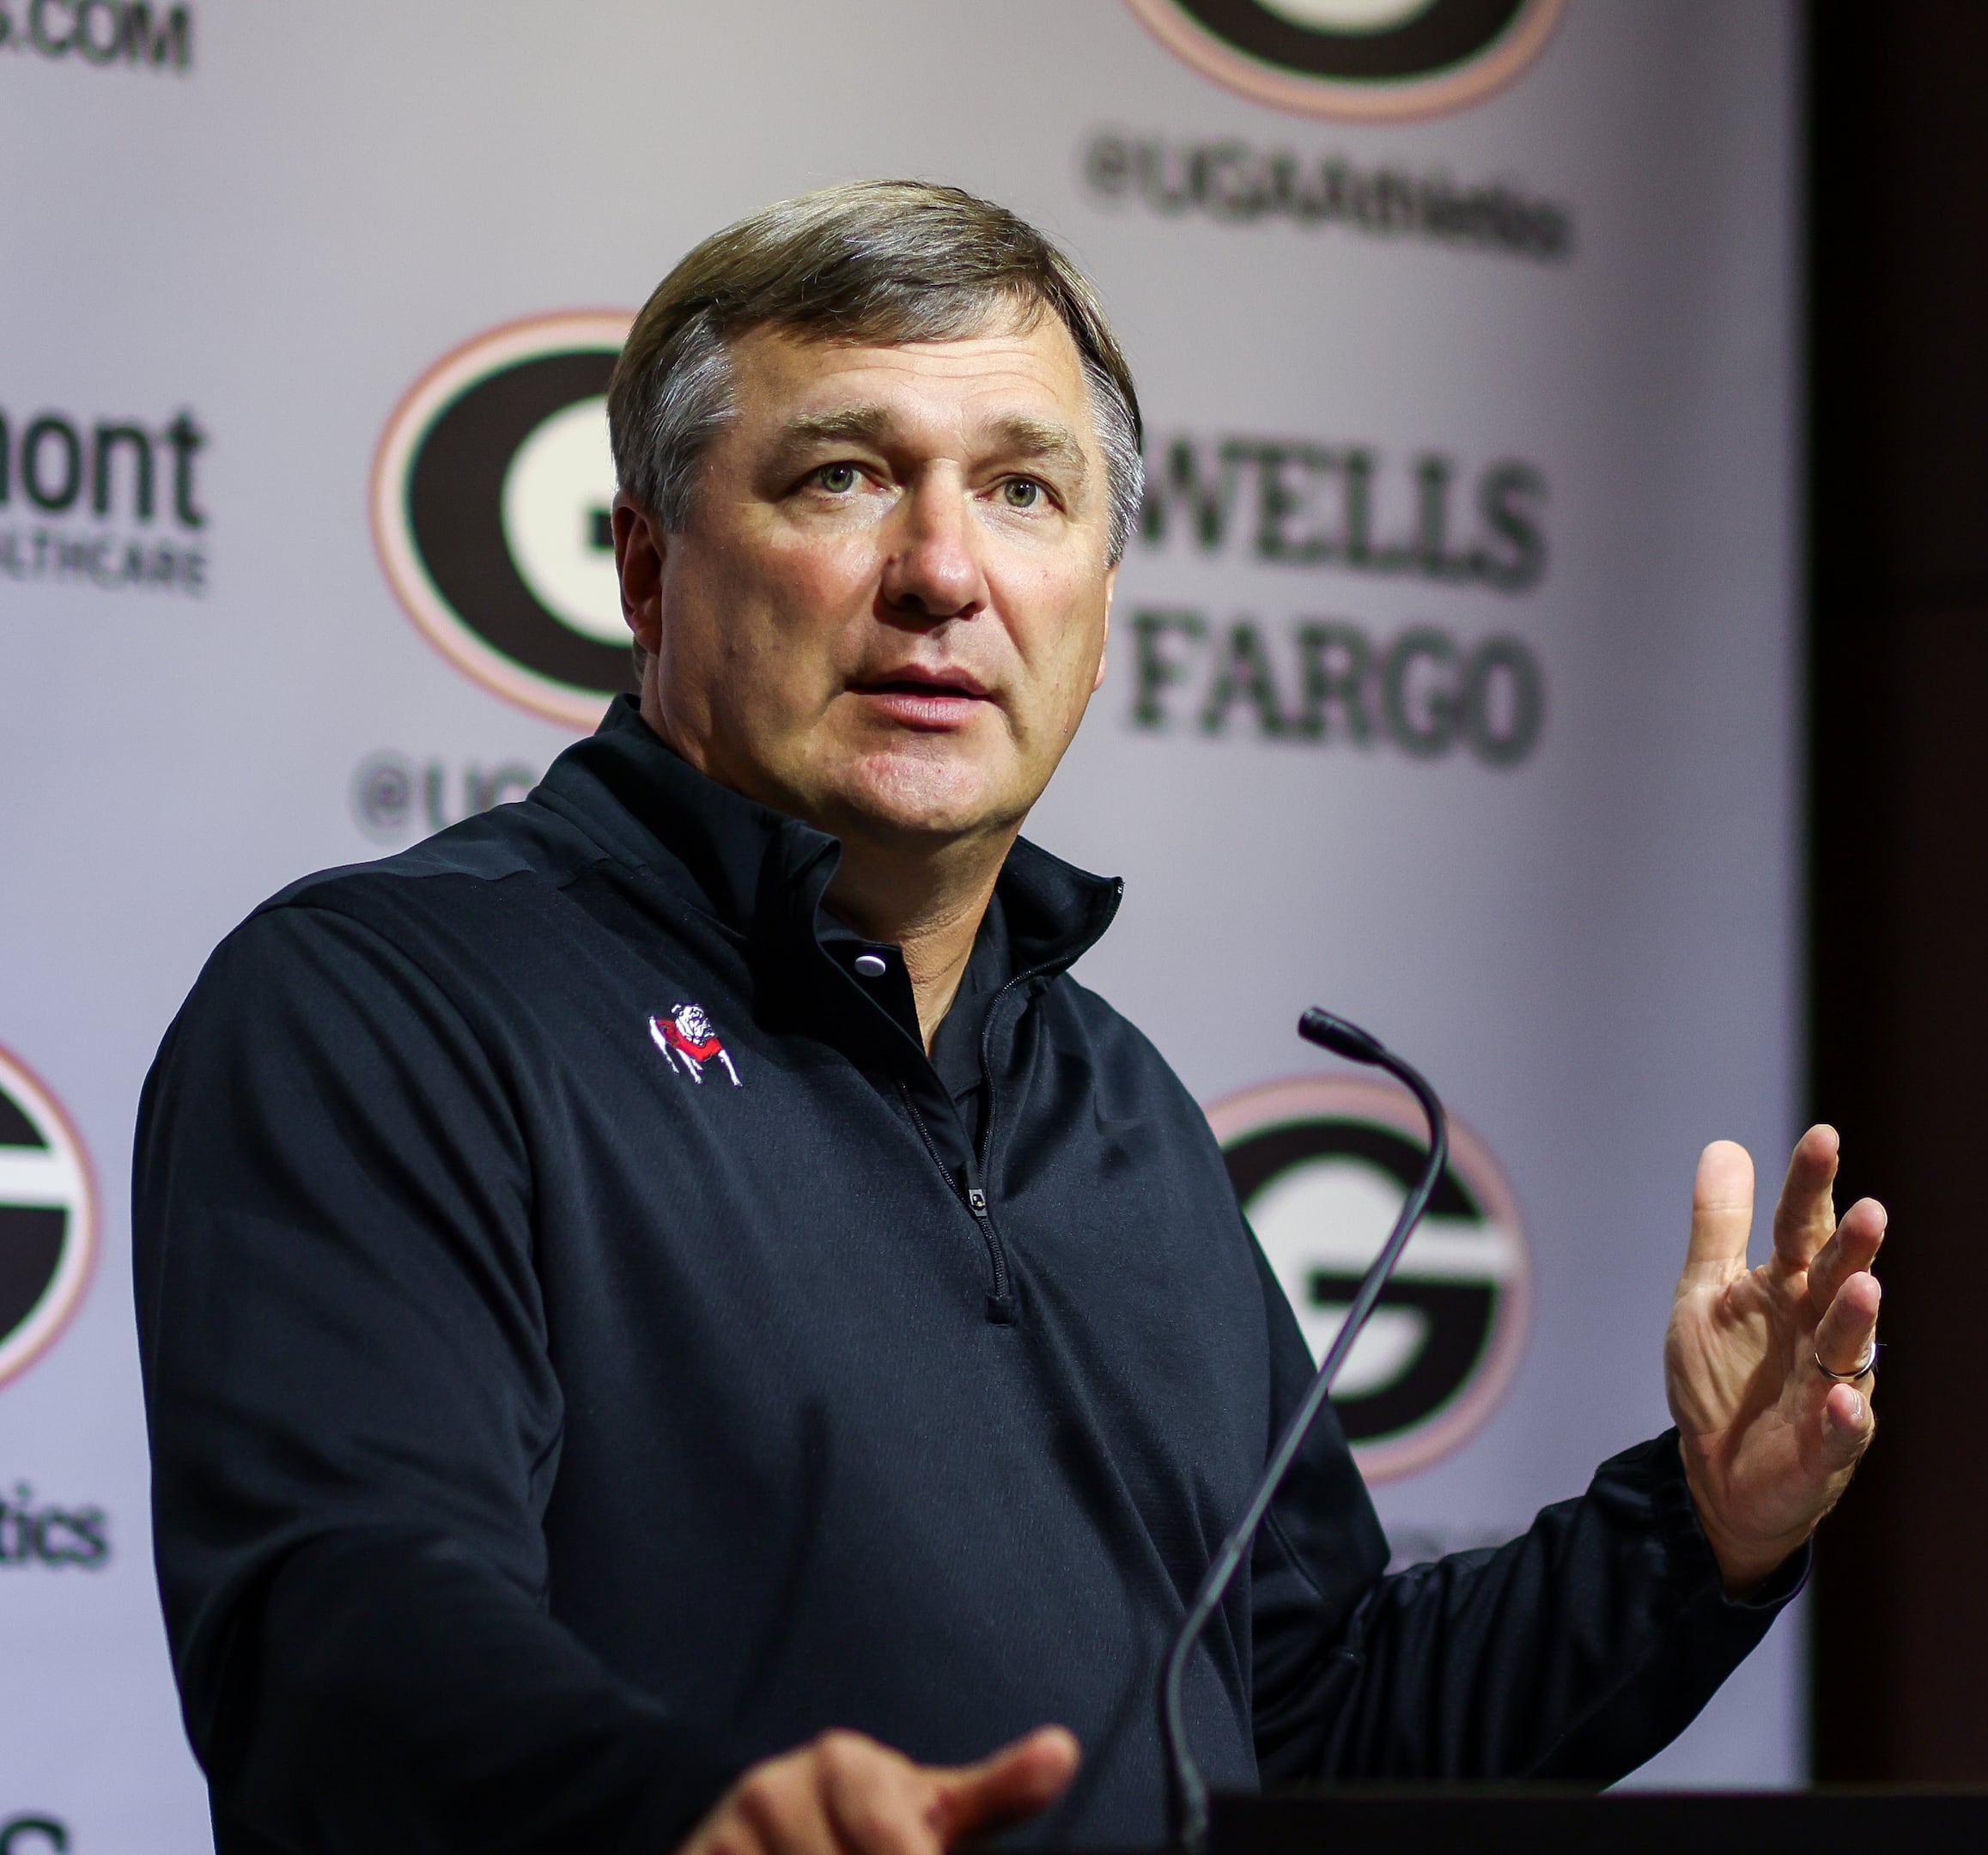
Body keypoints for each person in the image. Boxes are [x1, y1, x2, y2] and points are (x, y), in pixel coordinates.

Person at [133, 180, 1886, 1855]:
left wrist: (1700, 1534)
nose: (942, 573)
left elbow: (1297, 1728)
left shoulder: (1113, 1107)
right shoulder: (389, 1008)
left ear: (1103, 611)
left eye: (1027, 494)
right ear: (648, 569)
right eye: (841, 476)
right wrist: (673, 1820)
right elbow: (339, 1622)